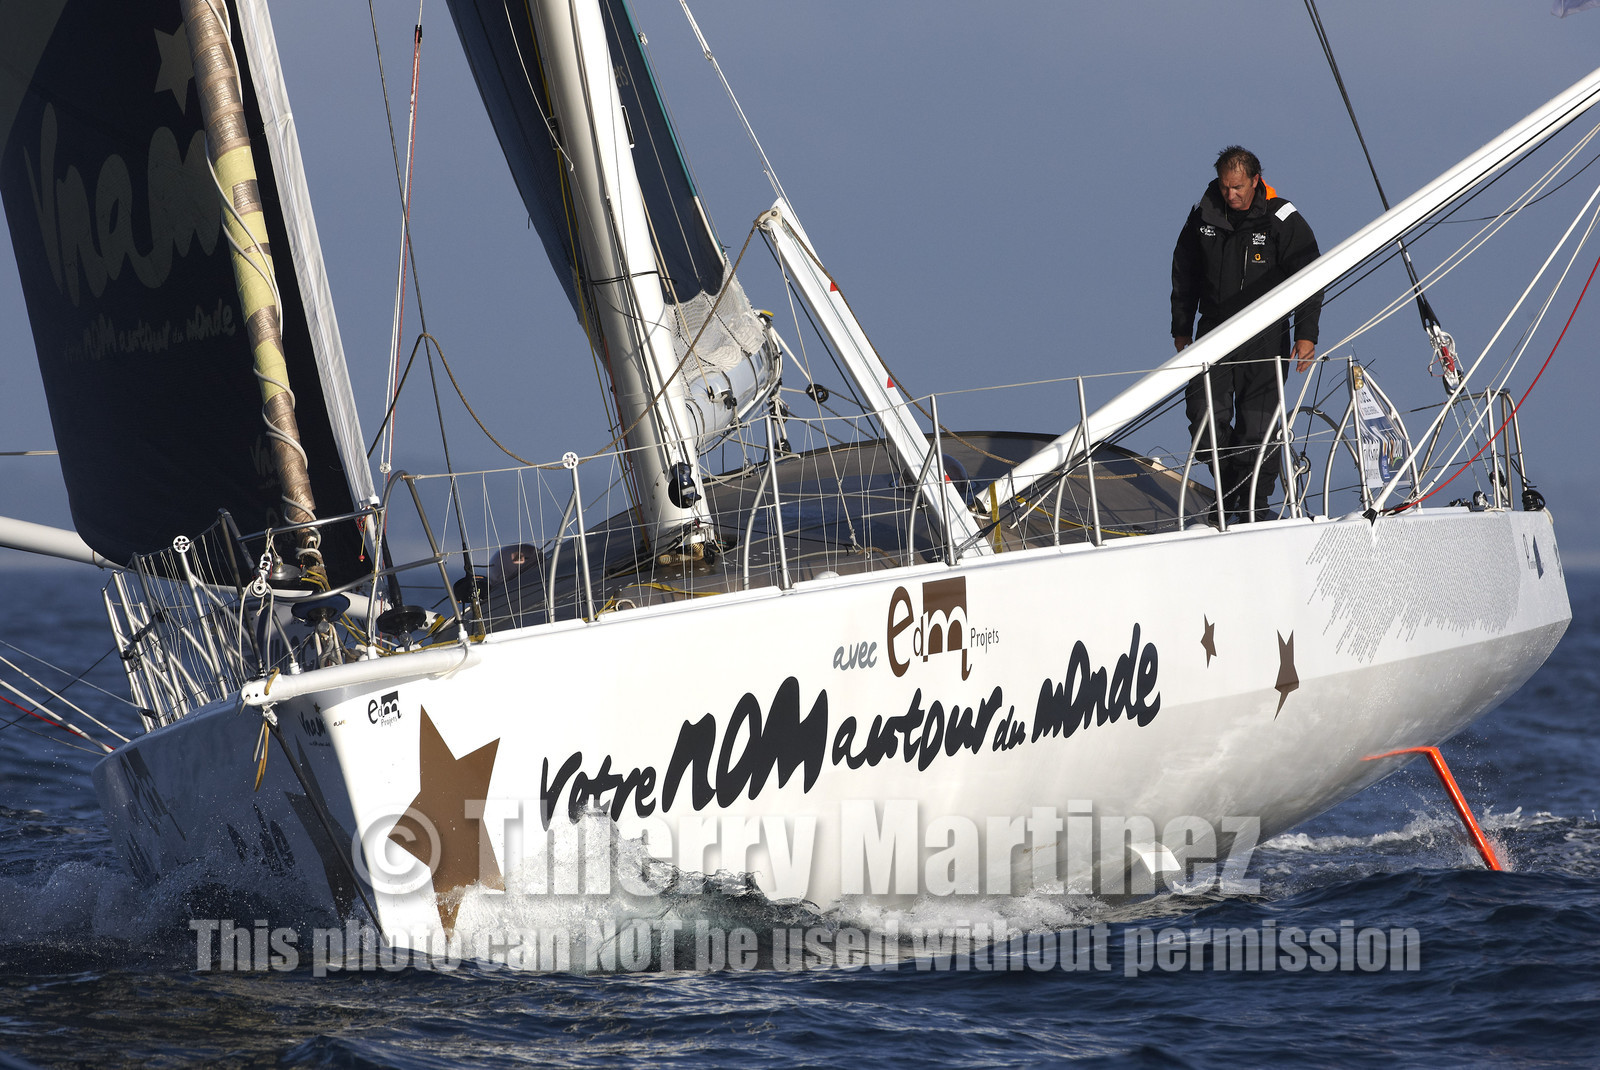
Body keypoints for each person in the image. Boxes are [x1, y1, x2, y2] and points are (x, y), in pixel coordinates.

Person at [1171, 146, 1322, 523]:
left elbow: (1311, 276)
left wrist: (1307, 333)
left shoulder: (1282, 218)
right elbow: (1183, 272)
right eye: (1225, 187)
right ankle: (1229, 497)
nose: (1231, 195)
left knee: (1258, 427)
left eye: (1238, 187)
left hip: (1266, 335)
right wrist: (1181, 327)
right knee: (1205, 418)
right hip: (1213, 333)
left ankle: (1252, 505)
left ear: (1255, 181)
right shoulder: (1203, 214)